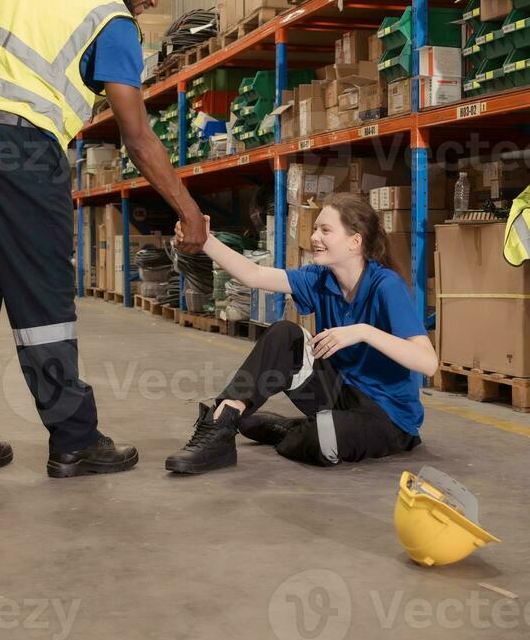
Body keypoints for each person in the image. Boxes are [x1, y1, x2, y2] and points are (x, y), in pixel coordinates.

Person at [0, 0, 208, 480]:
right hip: (24, 151)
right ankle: (74, 440)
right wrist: (189, 210)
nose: (154, 1)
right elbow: (136, 134)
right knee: (44, 302)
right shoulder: (111, 20)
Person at [164, 192, 437, 474]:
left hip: (387, 414)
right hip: (340, 390)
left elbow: (428, 362)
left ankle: (292, 429)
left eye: (326, 230)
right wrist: (205, 238)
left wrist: (364, 332)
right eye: (316, 228)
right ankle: (221, 424)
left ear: (355, 241)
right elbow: (254, 275)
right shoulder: (320, 278)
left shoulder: (385, 285)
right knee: (285, 334)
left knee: (322, 442)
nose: (315, 236)